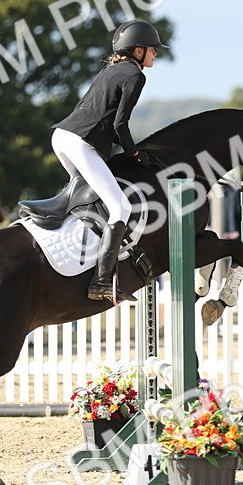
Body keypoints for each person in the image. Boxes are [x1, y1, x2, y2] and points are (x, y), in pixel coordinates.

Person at [51, 19, 165, 302]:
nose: (156, 54)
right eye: (152, 49)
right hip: (80, 143)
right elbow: (120, 125)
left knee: (92, 201)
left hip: (62, 137)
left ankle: (78, 253)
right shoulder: (136, 76)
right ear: (138, 51)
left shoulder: (110, 70)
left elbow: (105, 121)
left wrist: (129, 149)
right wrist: (136, 154)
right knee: (120, 208)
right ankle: (101, 281)